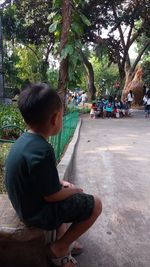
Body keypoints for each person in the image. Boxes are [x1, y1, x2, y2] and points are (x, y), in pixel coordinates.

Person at [5, 83, 102, 267]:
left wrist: (61, 184)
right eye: (62, 114)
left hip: (24, 203)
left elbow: (37, 177)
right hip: (35, 213)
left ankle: (64, 238)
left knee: (64, 187)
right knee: (95, 204)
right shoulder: (43, 150)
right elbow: (52, 196)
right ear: (55, 118)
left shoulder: (24, 141)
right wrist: (75, 190)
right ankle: (59, 248)